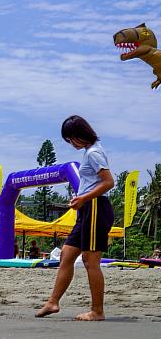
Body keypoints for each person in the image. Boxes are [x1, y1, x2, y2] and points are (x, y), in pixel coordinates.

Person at [37, 115, 115, 321]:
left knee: (91, 261)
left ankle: (97, 311)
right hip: (88, 208)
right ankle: (53, 302)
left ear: (80, 135)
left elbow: (109, 182)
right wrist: (82, 200)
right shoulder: (91, 151)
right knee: (66, 254)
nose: (71, 144)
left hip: (96, 208)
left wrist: (83, 198)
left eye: (71, 139)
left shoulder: (94, 153)